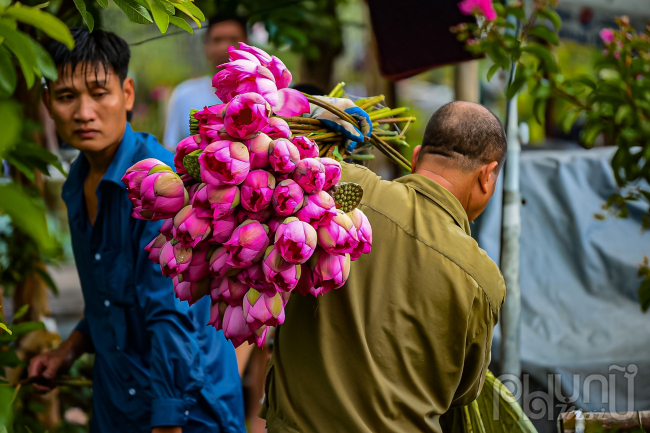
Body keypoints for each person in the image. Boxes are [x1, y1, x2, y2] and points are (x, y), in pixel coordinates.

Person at [29, 28, 245, 433]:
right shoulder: (77, 183)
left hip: (187, 411)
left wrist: (167, 423)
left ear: (127, 94)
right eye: (66, 97)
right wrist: (67, 351)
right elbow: (110, 299)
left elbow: (171, 317)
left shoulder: (158, 184)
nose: (84, 112)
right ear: (48, 103)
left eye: (99, 92)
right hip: (119, 405)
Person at [261, 101, 508, 432]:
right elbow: (462, 393)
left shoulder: (336, 189)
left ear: (417, 156)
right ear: (487, 176)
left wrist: (322, 113)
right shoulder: (482, 279)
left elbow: (258, 146)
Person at [163, 14, 248, 149]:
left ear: (247, 45)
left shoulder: (267, 96)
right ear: (206, 46)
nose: (225, 47)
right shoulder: (183, 95)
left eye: (233, 39)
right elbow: (171, 149)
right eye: (217, 40)